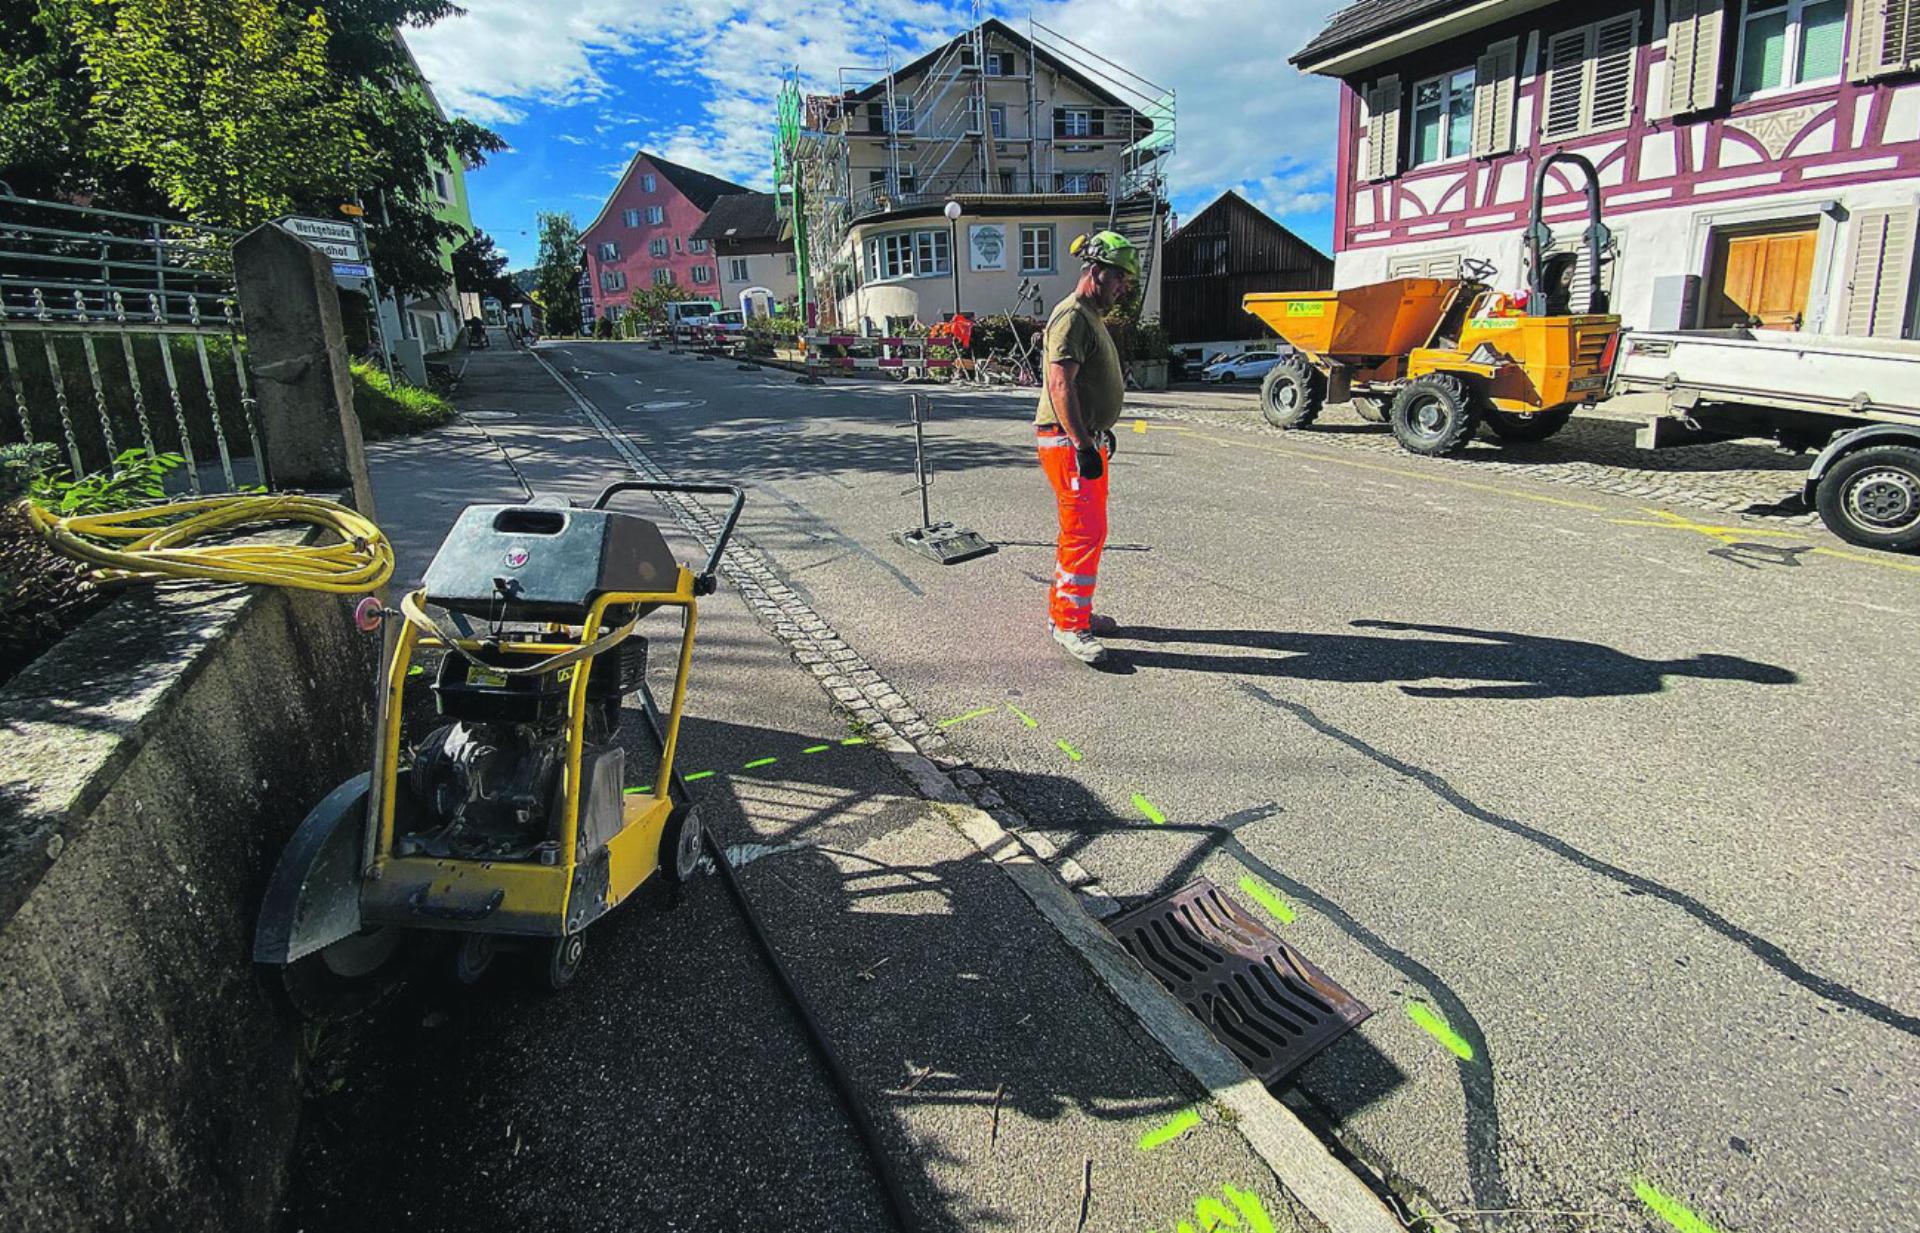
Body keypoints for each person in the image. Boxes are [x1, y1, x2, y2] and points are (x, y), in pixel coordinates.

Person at [1034, 229, 1139, 666]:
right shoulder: (1072, 315)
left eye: (1127, 281)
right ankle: (1069, 625)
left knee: (1087, 531)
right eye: (1118, 277)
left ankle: (1074, 611)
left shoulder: (1089, 316)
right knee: (1082, 531)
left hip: (1082, 438)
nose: (1123, 287)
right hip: (1067, 441)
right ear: (1095, 271)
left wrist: (1096, 432)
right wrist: (1081, 443)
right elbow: (1061, 385)